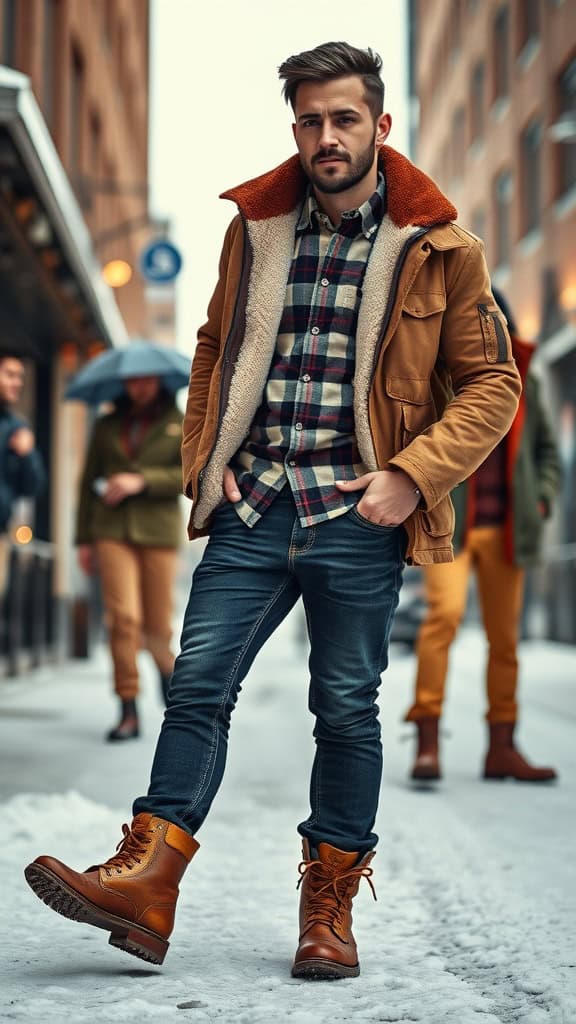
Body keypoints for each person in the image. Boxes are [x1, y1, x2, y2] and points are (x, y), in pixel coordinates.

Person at [25, 42, 522, 980]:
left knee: (345, 707)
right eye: (309, 120)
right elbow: (217, 344)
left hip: (360, 513)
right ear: (293, 126)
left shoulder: (442, 248)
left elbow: (491, 385)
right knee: (198, 684)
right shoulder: (256, 228)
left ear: (379, 126)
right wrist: (203, 467)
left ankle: (327, 908)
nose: (326, 137)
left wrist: (413, 477)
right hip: (255, 505)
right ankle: (147, 883)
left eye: (344, 119)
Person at [405, 288, 562, 784]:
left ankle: (502, 746)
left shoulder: (525, 381)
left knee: (504, 639)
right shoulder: (440, 373)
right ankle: (427, 741)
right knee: (442, 620)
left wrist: (542, 497)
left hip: (509, 528)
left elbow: (546, 454)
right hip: (451, 526)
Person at [75, 374, 184, 741]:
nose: (139, 387)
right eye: (132, 381)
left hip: (158, 532)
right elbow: (86, 482)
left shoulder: (179, 422)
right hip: (111, 529)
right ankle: (127, 708)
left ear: (159, 382)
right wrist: (84, 540)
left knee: (158, 625)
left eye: (147, 380)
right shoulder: (107, 424)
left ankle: (172, 693)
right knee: (123, 619)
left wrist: (142, 479)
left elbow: (190, 474)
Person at [0, 352, 45, 601]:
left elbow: (34, 486)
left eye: (20, 377)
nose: (17, 382)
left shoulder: (16, 428)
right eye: (10, 375)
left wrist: (27, 454)